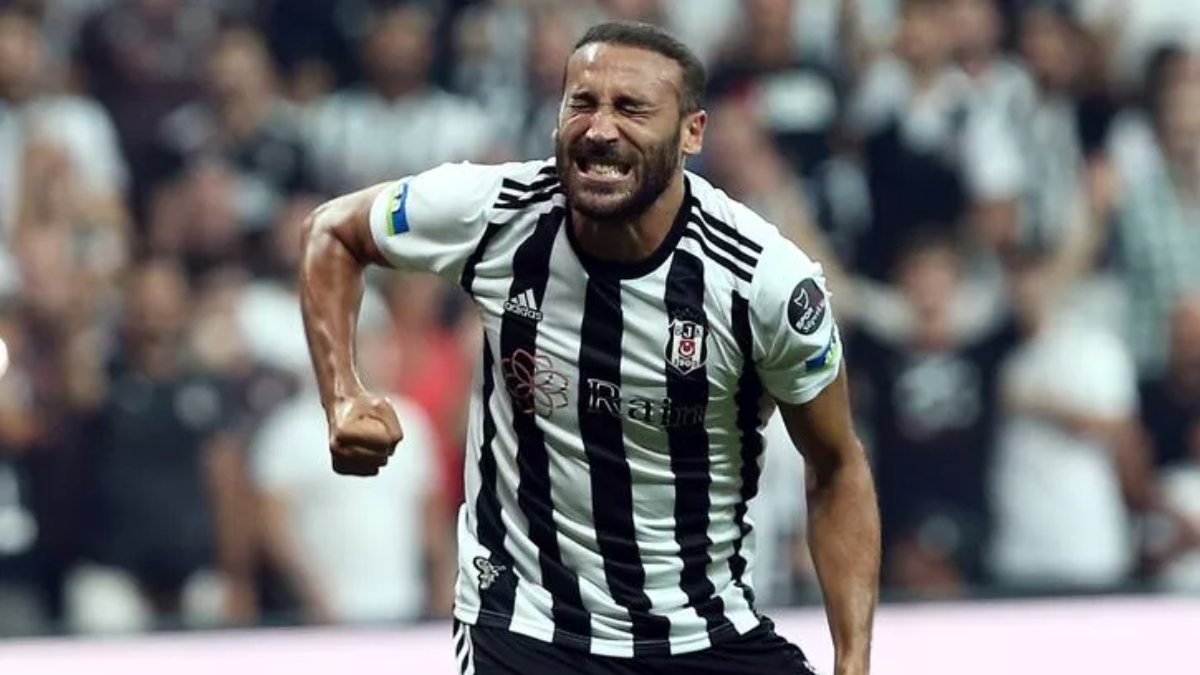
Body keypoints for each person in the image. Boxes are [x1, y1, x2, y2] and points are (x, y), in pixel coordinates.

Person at [300, 21, 879, 675]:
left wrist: (853, 660)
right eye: (582, 102)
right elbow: (332, 231)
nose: (600, 128)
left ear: (692, 133)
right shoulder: (495, 213)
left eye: (631, 108)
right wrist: (342, 393)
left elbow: (837, 467)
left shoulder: (763, 282)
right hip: (525, 628)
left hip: (703, 632)